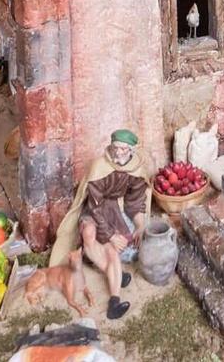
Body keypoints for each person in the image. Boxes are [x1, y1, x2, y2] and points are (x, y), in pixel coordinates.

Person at [49, 129, 150, 321]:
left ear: (131, 150)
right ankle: (116, 275)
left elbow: (135, 202)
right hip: (93, 210)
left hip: (112, 212)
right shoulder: (100, 167)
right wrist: (111, 234)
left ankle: (114, 301)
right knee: (88, 234)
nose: (118, 153)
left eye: (123, 149)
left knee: (111, 252)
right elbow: (94, 207)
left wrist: (139, 225)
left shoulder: (136, 171)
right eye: (116, 148)